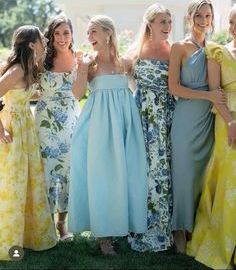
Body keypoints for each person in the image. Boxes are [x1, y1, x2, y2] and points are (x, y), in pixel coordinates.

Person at [68, 15, 148, 256]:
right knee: (102, 177)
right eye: (89, 32)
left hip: (125, 124)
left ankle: (124, 226)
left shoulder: (125, 63)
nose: (89, 37)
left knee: (126, 175)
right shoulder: (89, 65)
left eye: (93, 32)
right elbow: (77, 93)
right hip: (99, 126)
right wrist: (81, 69)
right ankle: (103, 238)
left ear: (107, 33)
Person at [168, 0, 226, 253]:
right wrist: (208, 96)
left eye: (208, 17)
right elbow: (174, 88)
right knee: (183, 175)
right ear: (189, 18)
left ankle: (196, 228)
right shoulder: (178, 48)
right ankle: (179, 230)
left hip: (209, 120)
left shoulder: (216, 49)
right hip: (186, 118)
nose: (204, 21)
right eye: (199, 16)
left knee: (203, 176)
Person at [0, 25, 57, 261]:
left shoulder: (31, 67)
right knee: (13, 184)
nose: (45, 39)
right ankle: (8, 243)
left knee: (29, 182)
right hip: (12, 128)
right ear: (31, 44)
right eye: (41, 38)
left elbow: (28, 94)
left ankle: (28, 238)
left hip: (27, 128)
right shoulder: (16, 70)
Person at [187, 4, 236, 270]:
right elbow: (215, 91)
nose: (234, 27)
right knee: (229, 177)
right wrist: (231, 121)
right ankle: (223, 242)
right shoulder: (216, 52)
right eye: (231, 21)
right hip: (226, 118)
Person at [127, 3, 175, 252]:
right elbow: (122, 78)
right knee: (141, 169)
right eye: (162, 22)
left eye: (169, 21)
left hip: (166, 116)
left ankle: (164, 227)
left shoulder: (174, 50)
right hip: (141, 116)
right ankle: (139, 224)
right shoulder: (135, 51)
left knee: (163, 169)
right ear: (149, 24)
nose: (167, 27)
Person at [34, 15, 81, 241]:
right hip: (45, 121)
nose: (62, 38)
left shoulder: (80, 58)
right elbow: (27, 85)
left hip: (71, 121)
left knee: (67, 170)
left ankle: (62, 225)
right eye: (57, 33)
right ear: (50, 36)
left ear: (72, 34)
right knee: (46, 169)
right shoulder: (42, 59)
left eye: (66, 33)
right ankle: (45, 224)